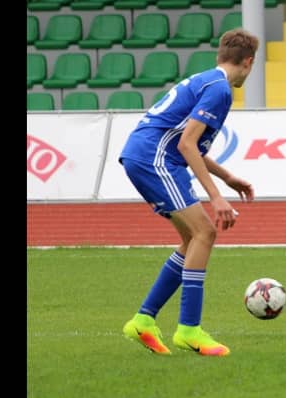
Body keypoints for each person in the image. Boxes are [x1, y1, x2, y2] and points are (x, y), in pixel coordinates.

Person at [119, 29, 259, 356]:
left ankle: (143, 321)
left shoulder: (207, 80)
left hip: (148, 155)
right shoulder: (220, 90)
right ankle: (189, 330)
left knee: (191, 240)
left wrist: (228, 178)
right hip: (154, 158)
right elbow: (186, 144)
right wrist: (216, 197)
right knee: (205, 232)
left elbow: (187, 144)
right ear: (249, 62)